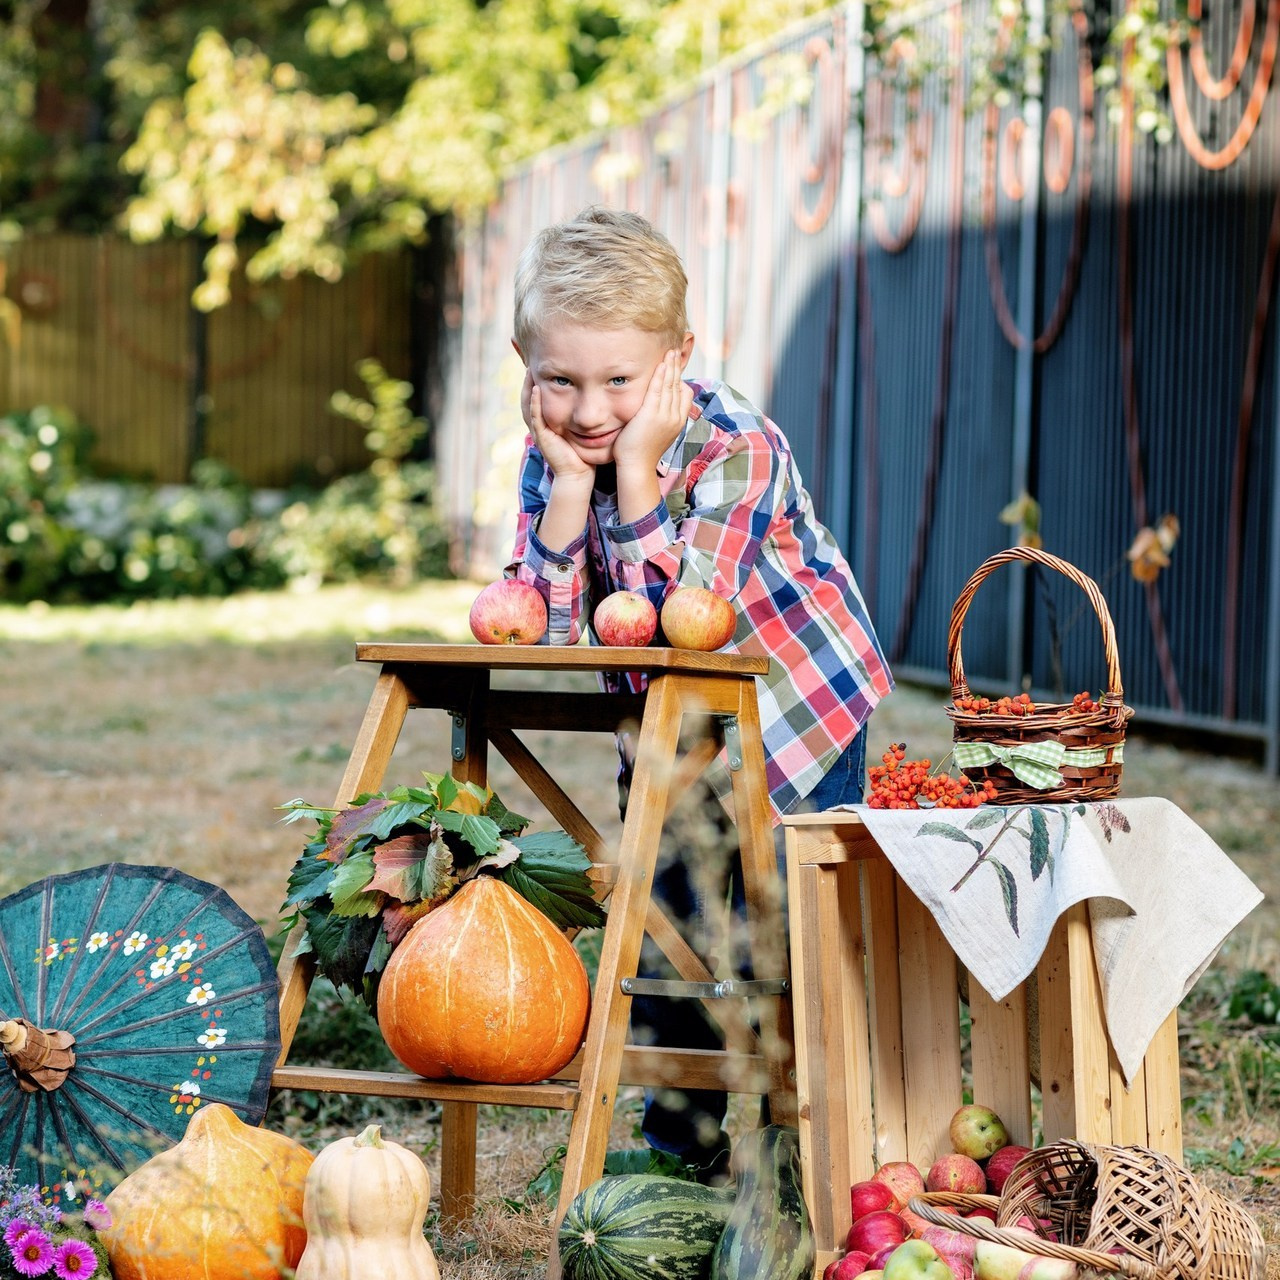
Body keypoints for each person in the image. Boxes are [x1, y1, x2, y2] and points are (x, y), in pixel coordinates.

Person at [505, 205, 893, 1181]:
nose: (590, 411)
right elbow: (548, 628)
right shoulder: (556, 450)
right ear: (524, 364)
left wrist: (635, 477)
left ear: (679, 357)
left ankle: (814, 1135)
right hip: (668, 720)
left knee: (784, 916)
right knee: (673, 914)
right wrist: (562, 489)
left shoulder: (737, 450)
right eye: (560, 379)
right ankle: (682, 1148)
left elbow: (682, 626)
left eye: (619, 383)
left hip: (793, 704)